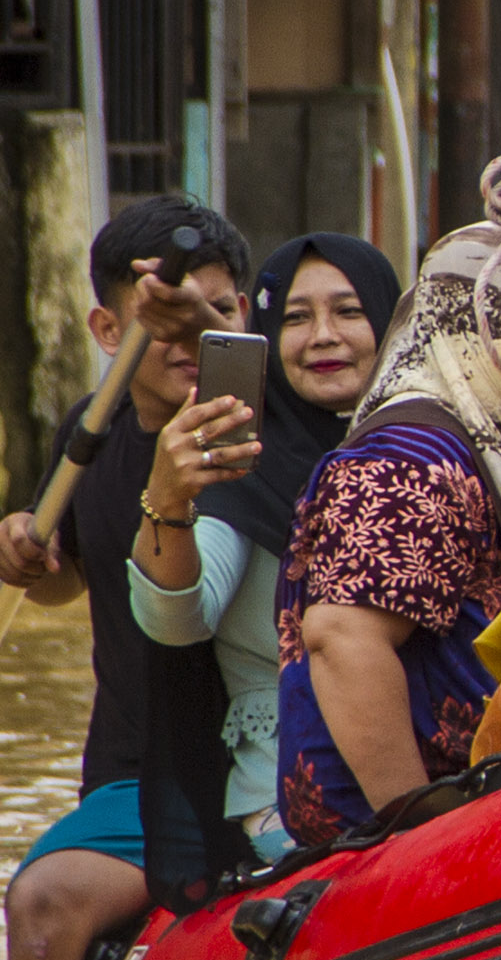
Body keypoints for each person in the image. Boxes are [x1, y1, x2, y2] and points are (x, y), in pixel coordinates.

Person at [0, 196, 254, 960]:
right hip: (134, 770)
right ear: (111, 332)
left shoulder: (248, 425)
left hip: (246, 764)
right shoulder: (89, 433)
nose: (197, 339)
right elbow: (73, 578)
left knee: (47, 898)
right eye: (166, 319)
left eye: (221, 310)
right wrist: (30, 560)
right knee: (41, 911)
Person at [274, 224, 501, 857]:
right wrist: (422, 837)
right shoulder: (410, 456)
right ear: (467, 324)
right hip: (417, 835)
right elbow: (344, 640)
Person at [128, 232, 400, 864]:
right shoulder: (241, 466)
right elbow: (176, 619)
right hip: (292, 802)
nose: (324, 336)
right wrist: (165, 502)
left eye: (349, 311)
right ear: (271, 339)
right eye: (298, 319)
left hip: (443, 771)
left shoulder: (434, 447)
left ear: (392, 324)